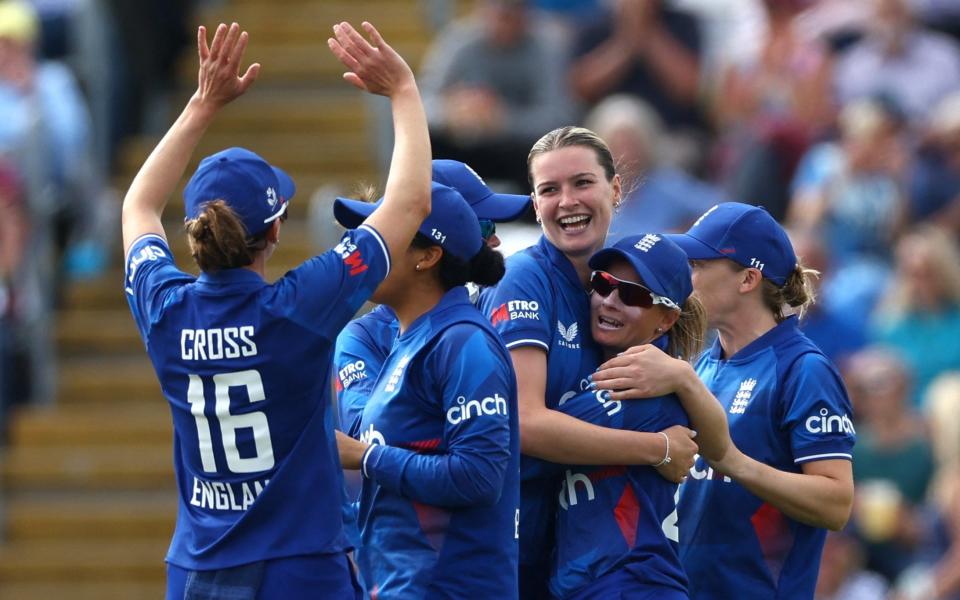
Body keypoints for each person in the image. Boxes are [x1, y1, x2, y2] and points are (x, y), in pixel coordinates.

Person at [121, 21, 432, 598]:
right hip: (299, 565)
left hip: (196, 569)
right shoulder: (298, 306)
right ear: (275, 229)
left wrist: (200, 104)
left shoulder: (164, 308)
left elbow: (138, 202)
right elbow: (412, 201)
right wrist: (405, 91)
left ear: (195, 235)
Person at [592, 202, 857, 599]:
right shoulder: (702, 365)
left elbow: (836, 504)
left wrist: (731, 460)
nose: (684, 277)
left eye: (697, 265)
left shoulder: (803, 369)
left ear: (748, 279)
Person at [477, 125, 698, 598]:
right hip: (507, 536)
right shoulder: (524, 280)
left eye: (582, 182)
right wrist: (655, 448)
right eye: (549, 190)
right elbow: (525, 424)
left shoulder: (611, 296)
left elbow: (701, 438)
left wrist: (685, 378)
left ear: (615, 189)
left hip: (570, 551)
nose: (567, 201)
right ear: (534, 206)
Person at [333, 182, 519, 598]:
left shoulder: (463, 342)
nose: (365, 247)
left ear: (428, 256)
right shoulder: (411, 337)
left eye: (383, 234)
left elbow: (479, 477)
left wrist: (365, 457)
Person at [530, 234, 708, 599]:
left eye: (633, 295)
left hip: (629, 583)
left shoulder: (642, 388)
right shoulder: (619, 371)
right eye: (603, 284)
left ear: (666, 319)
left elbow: (524, 443)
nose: (609, 301)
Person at [334, 158, 531, 440]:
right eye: (485, 227)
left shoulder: (470, 328)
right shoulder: (364, 336)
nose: (495, 241)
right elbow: (365, 438)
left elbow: (484, 462)